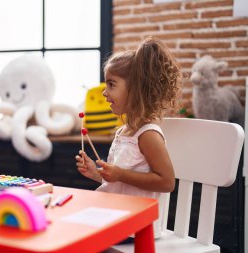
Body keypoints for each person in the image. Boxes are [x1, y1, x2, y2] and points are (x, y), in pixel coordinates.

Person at [75, 36, 181, 240]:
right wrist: (98, 174)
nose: (105, 92)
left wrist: (120, 174)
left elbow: (167, 182)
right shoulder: (123, 132)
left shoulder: (148, 135)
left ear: (136, 89)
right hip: (118, 218)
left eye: (111, 84)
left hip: (137, 228)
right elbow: (120, 183)